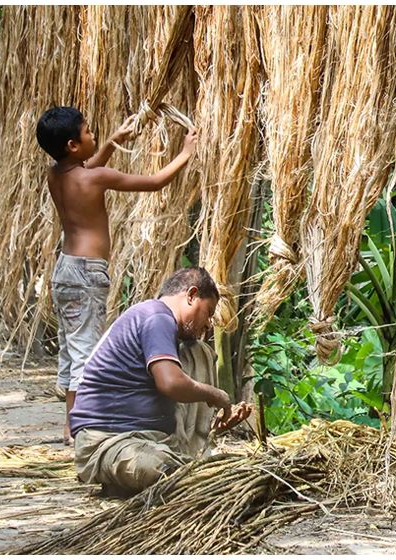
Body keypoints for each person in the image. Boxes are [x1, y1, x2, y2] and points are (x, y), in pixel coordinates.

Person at [34, 106, 198, 445]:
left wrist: (110, 142)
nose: (94, 135)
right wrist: (185, 153)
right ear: (72, 145)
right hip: (87, 273)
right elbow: (155, 183)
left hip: (65, 270)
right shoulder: (95, 178)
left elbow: (83, 171)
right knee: (85, 350)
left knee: (70, 346)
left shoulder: (56, 174)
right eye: (89, 132)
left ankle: (69, 421)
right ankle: (77, 426)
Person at [70, 267, 252, 496]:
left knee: (198, 352)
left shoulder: (160, 321)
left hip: (147, 438)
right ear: (191, 295)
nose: (208, 324)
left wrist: (212, 424)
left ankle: (191, 452)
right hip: (109, 441)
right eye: (208, 312)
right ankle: (128, 476)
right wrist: (216, 395)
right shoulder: (157, 317)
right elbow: (171, 384)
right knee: (168, 472)